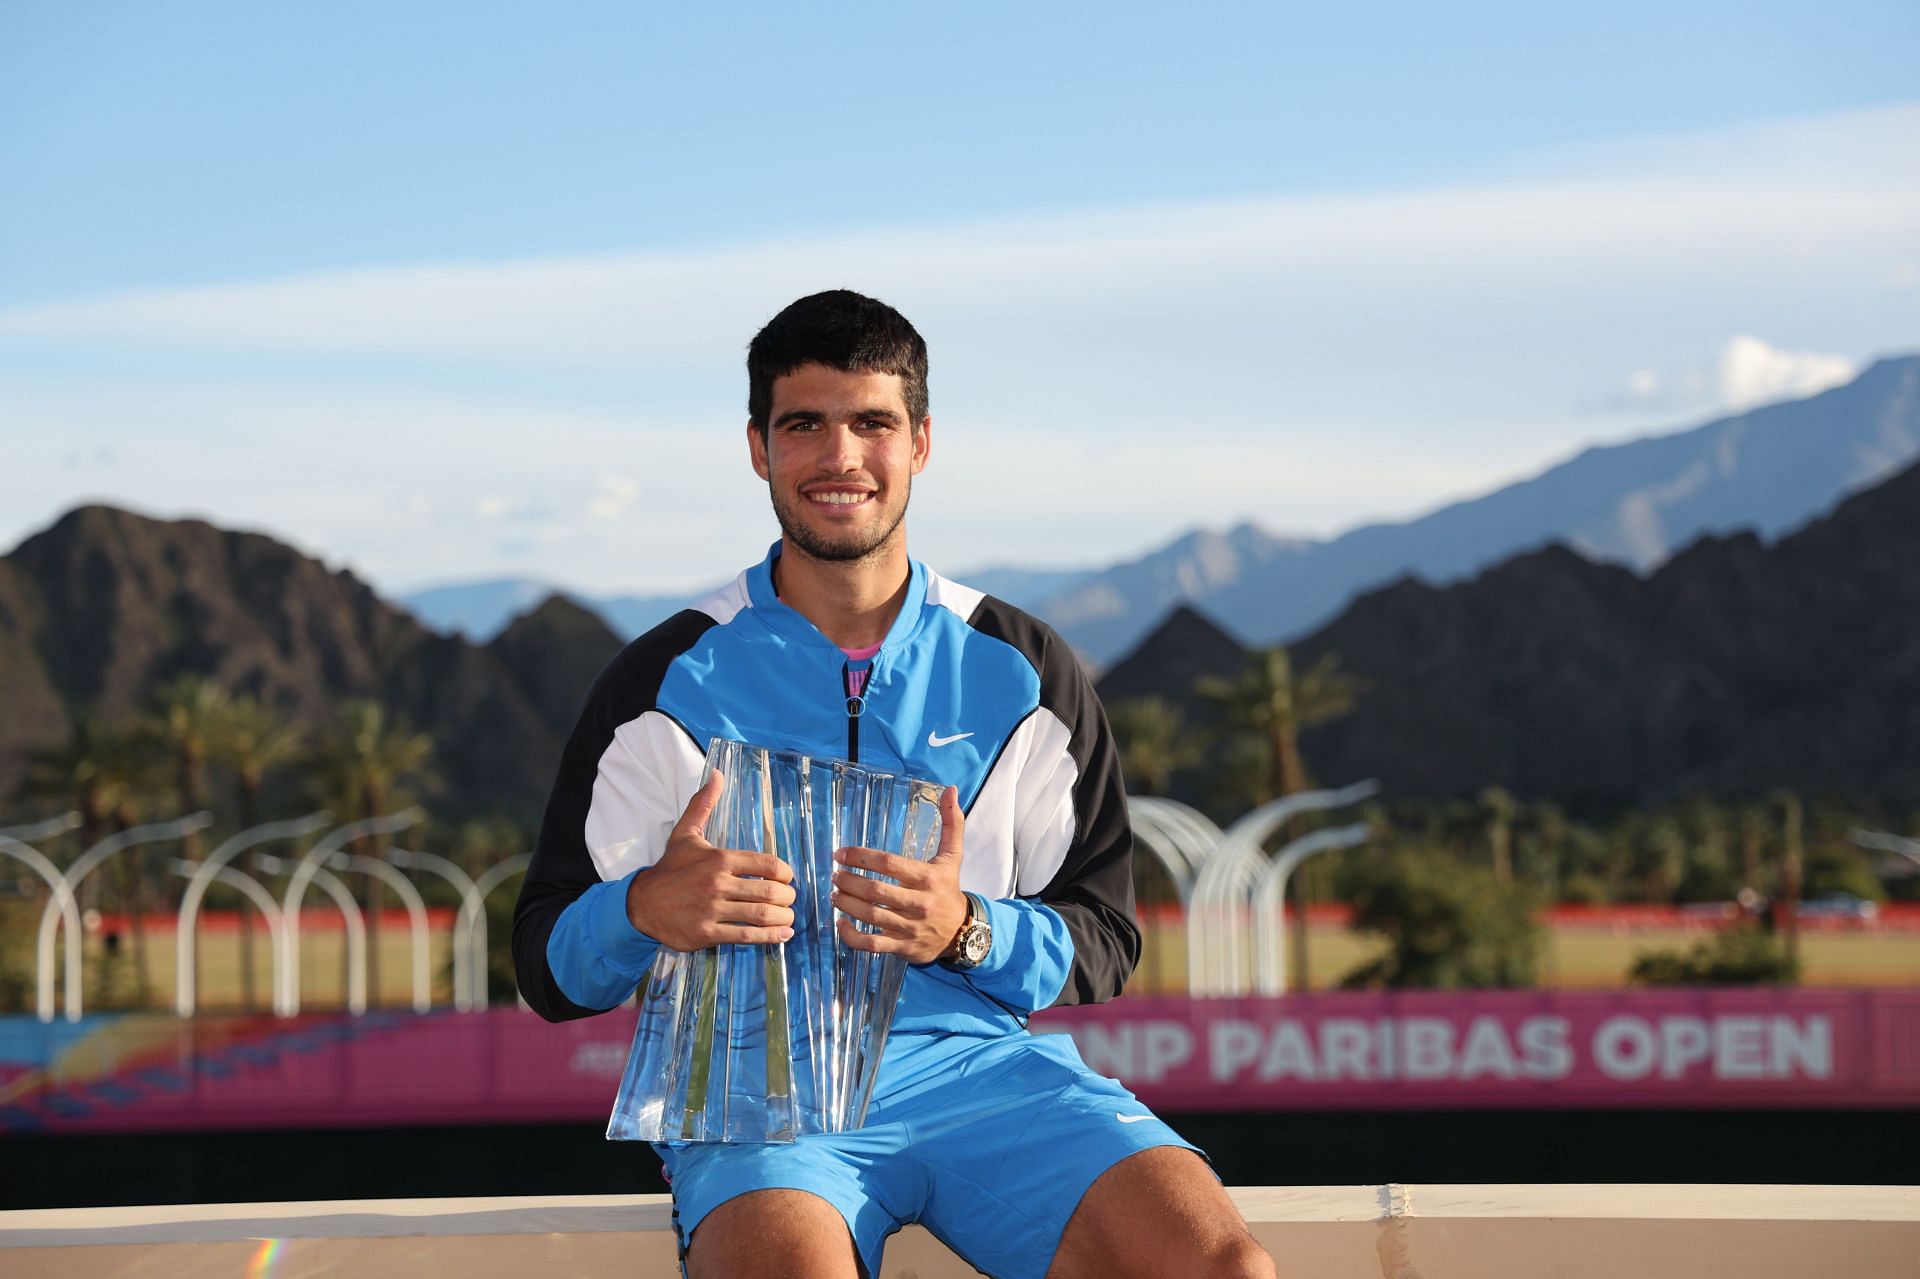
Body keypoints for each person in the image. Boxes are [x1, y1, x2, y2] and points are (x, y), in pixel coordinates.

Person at [513, 290, 1274, 1279]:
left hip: (987, 1073)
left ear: (920, 442)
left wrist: (968, 928)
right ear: (758, 448)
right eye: (804, 426)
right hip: (762, 1098)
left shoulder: (1022, 669)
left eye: (872, 422)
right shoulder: (665, 679)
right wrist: (647, 908)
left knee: (1223, 1267)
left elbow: (1107, 936)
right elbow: (546, 965)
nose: (839, 457)